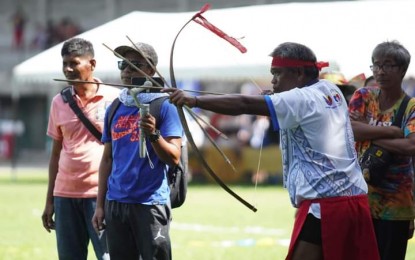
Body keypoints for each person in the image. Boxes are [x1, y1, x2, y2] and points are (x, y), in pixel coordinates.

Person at [164, 42, 380, 260]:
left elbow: (243, 104)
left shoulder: (300, 99)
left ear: (297, 73)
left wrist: (194, 100)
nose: (273, 80)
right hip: (352, 199)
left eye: (278, 73)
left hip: (326, 206)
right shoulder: (328, 89)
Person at [91, 42, 183, 260]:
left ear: (150, 70)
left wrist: (153, 134)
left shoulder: (164, 106)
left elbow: (174, 156)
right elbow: (107, 160)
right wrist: (100, 205)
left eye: (135, 65)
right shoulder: (115, 106)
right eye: (123, 64)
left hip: (149, 204)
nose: (127, 71)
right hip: (116, 202)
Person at [41, 37, 119, 260]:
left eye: (74, 63)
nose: (68, 69)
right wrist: (49, 201)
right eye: (64, 63)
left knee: (108, 256)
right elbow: (55, 154)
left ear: (92, 65)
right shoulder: (59, 102)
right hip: (64, 195)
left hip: (101, 194)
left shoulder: (114, 99)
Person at [348, 40, 415, 260]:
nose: (380, 71)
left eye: (388, 65)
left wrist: (368, 131)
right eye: (376, 65)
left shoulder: (411, 106)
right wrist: (393, 132)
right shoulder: (363, 96)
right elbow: (348, 131)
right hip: (360, 198)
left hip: (396, 204)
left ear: (403, 70)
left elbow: (411, 146)